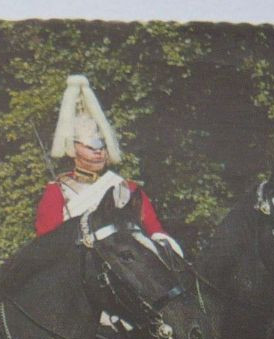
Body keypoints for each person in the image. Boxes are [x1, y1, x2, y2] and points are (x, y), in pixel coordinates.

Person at [34, 74, 176, 253]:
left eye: (102, 146)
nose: (99, 151)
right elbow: (47, 246)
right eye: (90, 146)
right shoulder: (57, 192)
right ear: (73, 148)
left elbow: (154, 231)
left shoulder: (128, 189)